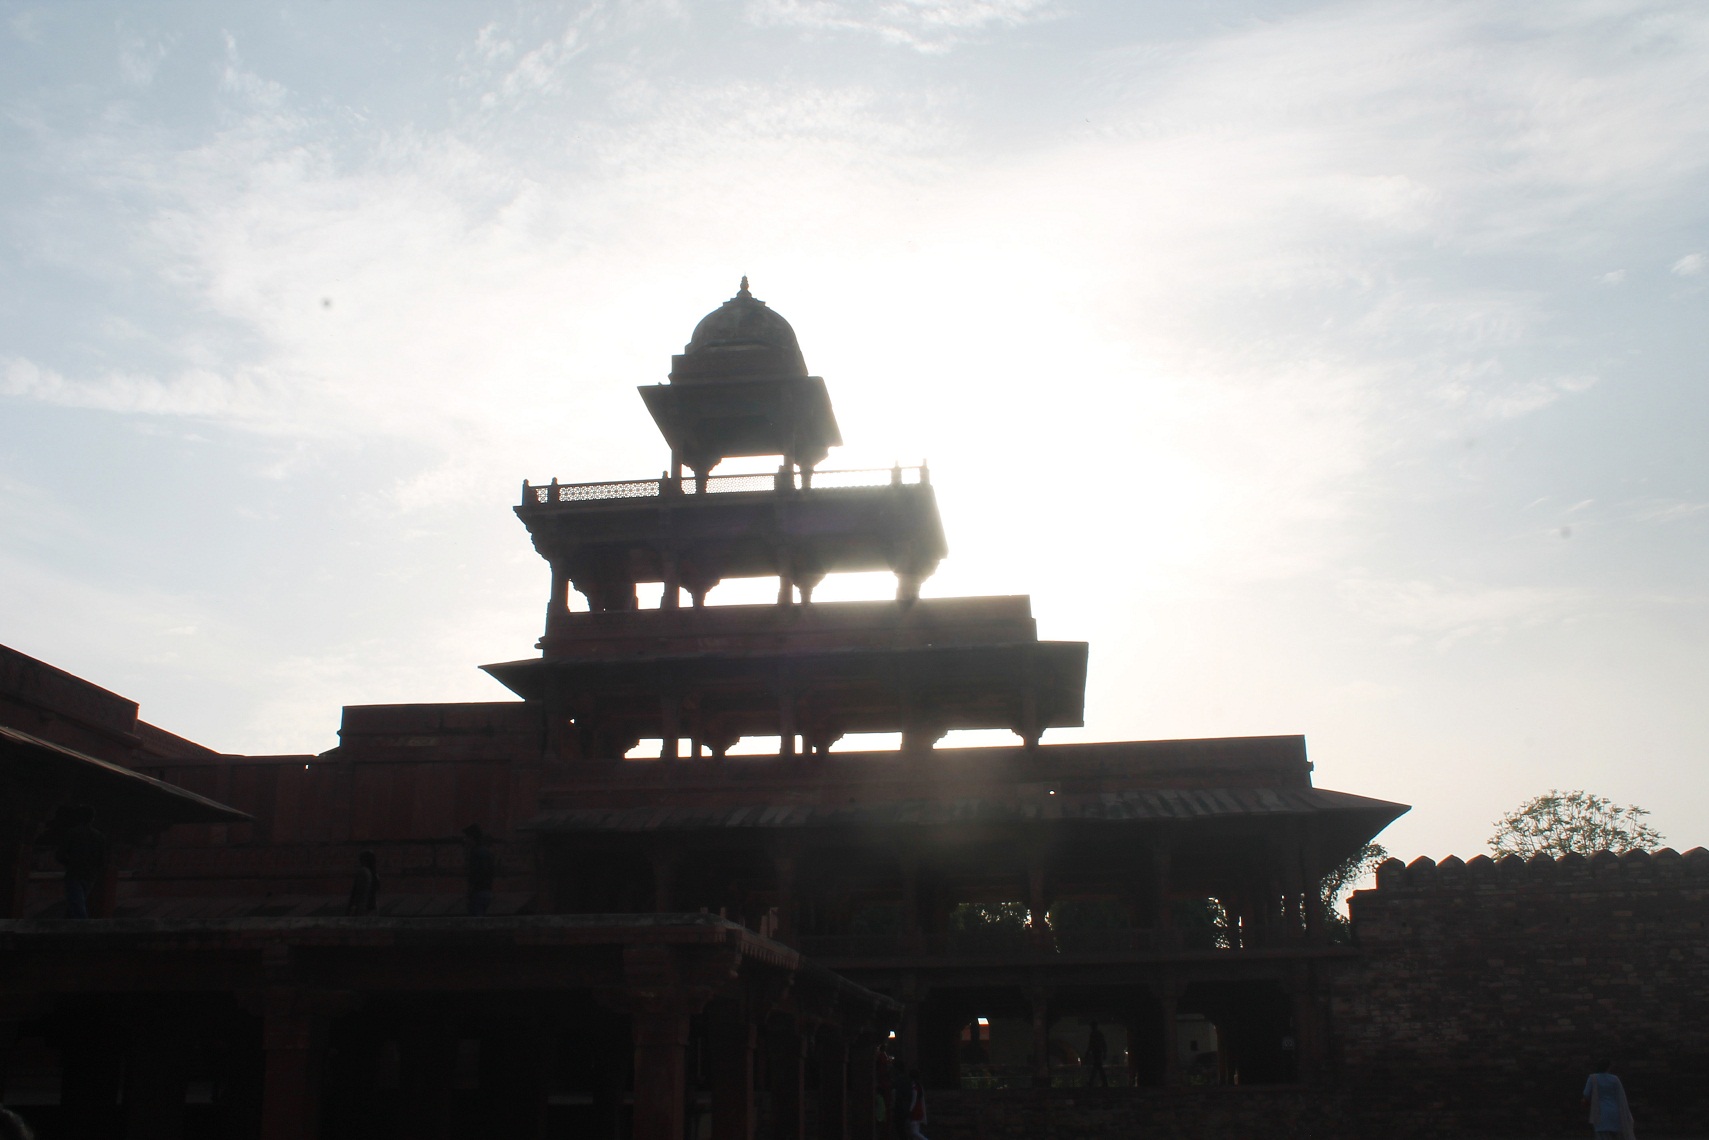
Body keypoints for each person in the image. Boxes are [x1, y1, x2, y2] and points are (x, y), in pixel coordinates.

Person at [54, 806, 108, 920]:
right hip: (90, 875)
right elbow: (102, 860)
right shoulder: (99, 837)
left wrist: (70, 863)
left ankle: (82, 930)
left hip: (75, 873)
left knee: (77, 907)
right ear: (92, 818)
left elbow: (60, 855)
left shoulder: (73, 833)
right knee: (77, 904)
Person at [1582, 1059, 1636, 1140]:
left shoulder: (1593, 1078)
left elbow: (1586, 1094)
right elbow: (1620, 1095)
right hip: (1615, 1112)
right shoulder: (1615, 1079)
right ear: (1608, 1067)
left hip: (1600, 1113)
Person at [463, 824, 495, 916]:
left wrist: (471, 889)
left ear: (472, 838)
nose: (465, 840)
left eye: (467, 837)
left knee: (476, 921)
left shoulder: (476, 853)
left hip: (478, 892)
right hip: (485, 891)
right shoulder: (486, 852)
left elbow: (478, 873)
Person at [346, 850, 379, 915]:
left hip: (362, 906)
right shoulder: (375, 874)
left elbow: (359, 891)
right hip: (372, 906)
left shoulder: (363, 872)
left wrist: (354, 905)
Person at [902, 1068, 927, 1140]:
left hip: (915, 1111)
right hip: (918, 1109)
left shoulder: (915, 1087)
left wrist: (910, 1110)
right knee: (915, 1132)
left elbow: (913, 1100)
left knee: (914, 1132)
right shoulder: (919, 1086)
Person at [1085, 1020, 1109, 1087]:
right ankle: (1102, 1082)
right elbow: (1103, 1044)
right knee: (1097, 1067)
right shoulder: (1099, 1034)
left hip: (1096, 1052)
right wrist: (1104, 1053)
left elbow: (1091, 1045)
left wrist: (1087, 1052)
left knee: (1097, 1067)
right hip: (1098, 1052)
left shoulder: (1093, 1034)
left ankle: (1092, 1082)